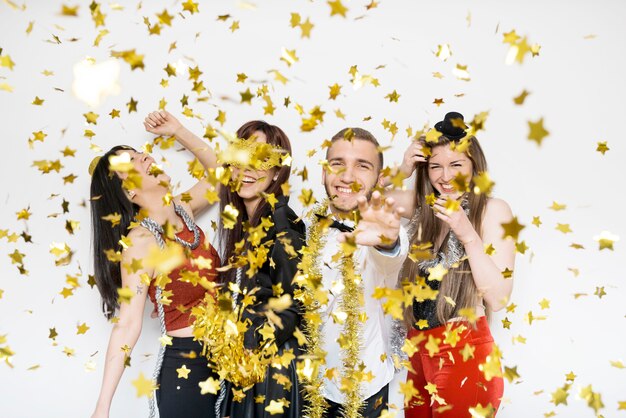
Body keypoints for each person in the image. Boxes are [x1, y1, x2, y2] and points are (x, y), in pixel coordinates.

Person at [90, 111, 221, 418]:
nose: (144, 157)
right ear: (130, 193)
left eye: (139, 153)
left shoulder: (183, 208)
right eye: (132, 162)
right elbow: (128, 323)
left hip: (230, 359)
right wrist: (102, 406)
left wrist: (178, 130)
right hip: (189, 369)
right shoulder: (139, 243)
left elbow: (218, 173)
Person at [387, 112, 515, 417]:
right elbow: (363, 202)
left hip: (464, 351)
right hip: (419, 351)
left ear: (474, 167)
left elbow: (498, 298)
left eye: (456, 165)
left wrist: (468, 234)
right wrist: (401, 169)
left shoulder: (493, 211)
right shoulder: (424, 209)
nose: (445, 177)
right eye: (435, 167)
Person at [303, 127, 410, 418]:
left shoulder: (387, 228)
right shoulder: (305, 225)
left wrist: (387, 241)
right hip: (309, 388)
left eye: (362, 166)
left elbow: (391, 257)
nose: (347, 176)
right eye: (337, 163)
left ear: (378, 177)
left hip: (366, 390)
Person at [215, 121, 306, 418]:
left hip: (270, 373)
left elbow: (294, 306)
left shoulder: (283, 224)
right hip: (244, 368)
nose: (247, 170)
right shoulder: (245, 225)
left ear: (277, 171)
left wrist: (252, 348)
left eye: (260, 160)